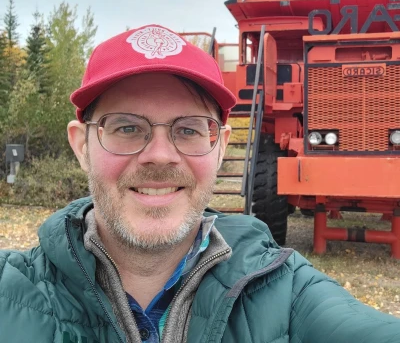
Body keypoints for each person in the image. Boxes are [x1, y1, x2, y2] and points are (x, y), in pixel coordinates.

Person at [0, 24, 399, 343]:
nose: (159, 155)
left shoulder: (288, 292)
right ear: (81, 145)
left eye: (189, 129)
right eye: (125, 127)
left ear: (221, 146)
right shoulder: (10, 292)